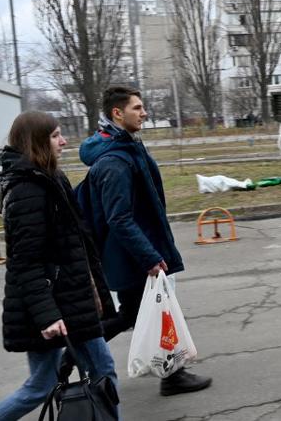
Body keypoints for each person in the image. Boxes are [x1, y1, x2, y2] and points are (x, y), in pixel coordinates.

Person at [0, 112, 118, 420]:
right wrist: (48, 316)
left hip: (71, 299)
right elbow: (24, 264)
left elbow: (76, 243)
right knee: (54, 383)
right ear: (37, 142)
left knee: (90, 374)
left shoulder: (51, 178)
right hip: (53, 306)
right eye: (55, 136)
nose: (64, 141)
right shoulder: (28, 190)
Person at [79, 86, 212, 396]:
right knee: (146, 312)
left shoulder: (126, 145)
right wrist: (149, 256)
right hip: (131, 255)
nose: (144, 113)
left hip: (134, 251)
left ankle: (171, 375)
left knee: (133, 313)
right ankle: (74, 353)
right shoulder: (114, 161)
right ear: (117, 113)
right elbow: (119, 218)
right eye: (137, 108)